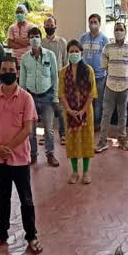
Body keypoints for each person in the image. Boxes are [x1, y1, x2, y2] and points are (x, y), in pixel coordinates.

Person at [0, 56, 42, 254]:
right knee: (3, 198)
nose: (8, 72)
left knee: (26, 199)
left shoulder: (26, 98)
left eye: (11, 69)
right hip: (0, 159)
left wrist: (6, 146)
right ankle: (1, 234)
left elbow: (27, 129)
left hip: (20, 159)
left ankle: (31, 236)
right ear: (0, 72)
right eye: (4, 69)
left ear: (16, 71)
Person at [20, 27, 60, 167]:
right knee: (30, 132)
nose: (34, 39)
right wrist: (22, 101)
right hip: (30, 98)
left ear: (40, 38)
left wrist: (55, 98)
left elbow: (55, 78)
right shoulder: (25, 58)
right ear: (29, 39)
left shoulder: (50, 55)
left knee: (49, 130)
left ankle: (50, 154)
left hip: (47, 97)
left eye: (37, 36)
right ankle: (33, 155)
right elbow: (22, 82)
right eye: (31, 36)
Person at [59, 40, 97, 184]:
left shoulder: (88, 70)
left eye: (76, 51)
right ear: (68, 53)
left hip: (86, 112)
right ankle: (75, 172)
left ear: (81, 53)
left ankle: (86, 172)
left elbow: (92, 93)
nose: (74, 54)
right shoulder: (63, 72)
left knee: (86, 141)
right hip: (69, 113)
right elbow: (61, 93)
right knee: (72, 142)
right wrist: (69, 110)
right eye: (71, 51)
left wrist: (82, 110)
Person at [96, 21, 128, 153]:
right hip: (110, 85)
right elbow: (104, 65)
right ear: (113, 32)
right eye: (116, 29)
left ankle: (122, 139)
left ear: (125, 31)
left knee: (122, 114)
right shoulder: (107, 47)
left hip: (125, 86)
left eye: (121, 29)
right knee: (106, 114)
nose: (119, 31)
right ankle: (102, 141)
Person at [80, 13, 109, 128]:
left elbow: (107, 56)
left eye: (95, 22)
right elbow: (79, 53)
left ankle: (96, 123)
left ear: (99, 23)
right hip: (85, 76)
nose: (93, 25)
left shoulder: (104, 39)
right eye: (91, 22)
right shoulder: (83, 37)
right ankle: (86, 121)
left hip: (100, 76)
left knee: (98, 101)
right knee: (86, 100)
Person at [42, 16, 68, 144]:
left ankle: (63, 134)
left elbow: (66, 61)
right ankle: (46, 134)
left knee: (61, 108)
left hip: (59, 79)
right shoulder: (41, 43)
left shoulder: (62, 42)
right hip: (45, 80)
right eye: (47, 25)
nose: (49, 27)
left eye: (51, 25)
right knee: (46, 107)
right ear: (44, 27)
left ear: (56, 26)